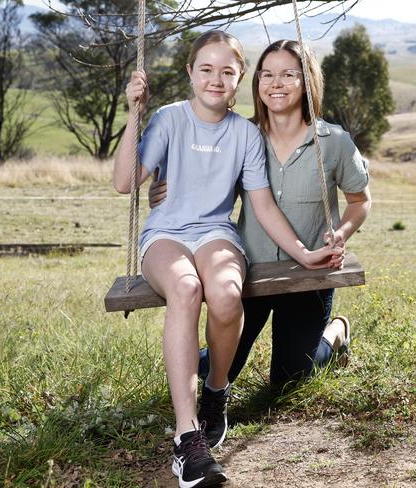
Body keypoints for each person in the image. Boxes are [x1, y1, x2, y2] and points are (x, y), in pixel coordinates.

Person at [113, 31, 342, 488]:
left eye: (227, 71)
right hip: (165, 236)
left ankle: (215, 392)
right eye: (206, 69)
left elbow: (262, 205)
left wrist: (303, 252)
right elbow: (125, 182)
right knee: (185, 287)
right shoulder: (167, 119)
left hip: (217, 233)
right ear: (190, 73)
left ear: (239, 79)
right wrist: (133, 113)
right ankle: (187, 438)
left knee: (224, 293)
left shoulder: (244, 135)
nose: (215, 79)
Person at [149, 39, 371, 392]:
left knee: (289, 381)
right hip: (249, 271)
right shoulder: (242, 136)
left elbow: (360, 201)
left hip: (308, 273)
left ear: (308, 81)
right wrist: (161, 191)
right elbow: (208, 191)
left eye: (287, 75)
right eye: (266, 75)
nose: (275, 84)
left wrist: (342, 231)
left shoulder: (334, 142)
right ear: (256, 84)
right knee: (216, 370)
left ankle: (334, 335)